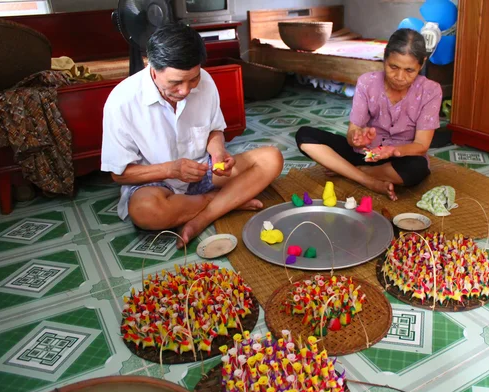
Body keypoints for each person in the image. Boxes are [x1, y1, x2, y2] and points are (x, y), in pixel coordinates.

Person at [101, 23, 283, 247]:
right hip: (155, 182)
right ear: (153, 70)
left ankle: (201, 219)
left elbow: (214, 129)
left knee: (271, 158)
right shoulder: (122, 101)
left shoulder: (206, 81)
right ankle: (224, 201)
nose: (186, 90)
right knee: (146, 212)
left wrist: (217, 153)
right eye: (175, 83)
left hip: (202, 171)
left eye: (193, 79)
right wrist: (170, 169)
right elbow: (119, 174)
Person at [295, 29, 442, 201]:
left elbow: (421, 145)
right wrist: (356, 137)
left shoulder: (431, 91)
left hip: (398, 160)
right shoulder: (367, 82)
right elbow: (352, 133)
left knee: (417, 168)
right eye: (393, 67)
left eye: (409, 70)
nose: (400, 77)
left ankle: (350, 171)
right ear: (384, 58)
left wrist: (392, 150)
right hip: (366, 154)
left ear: (422, 63)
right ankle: (367, 180)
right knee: (305, 135)